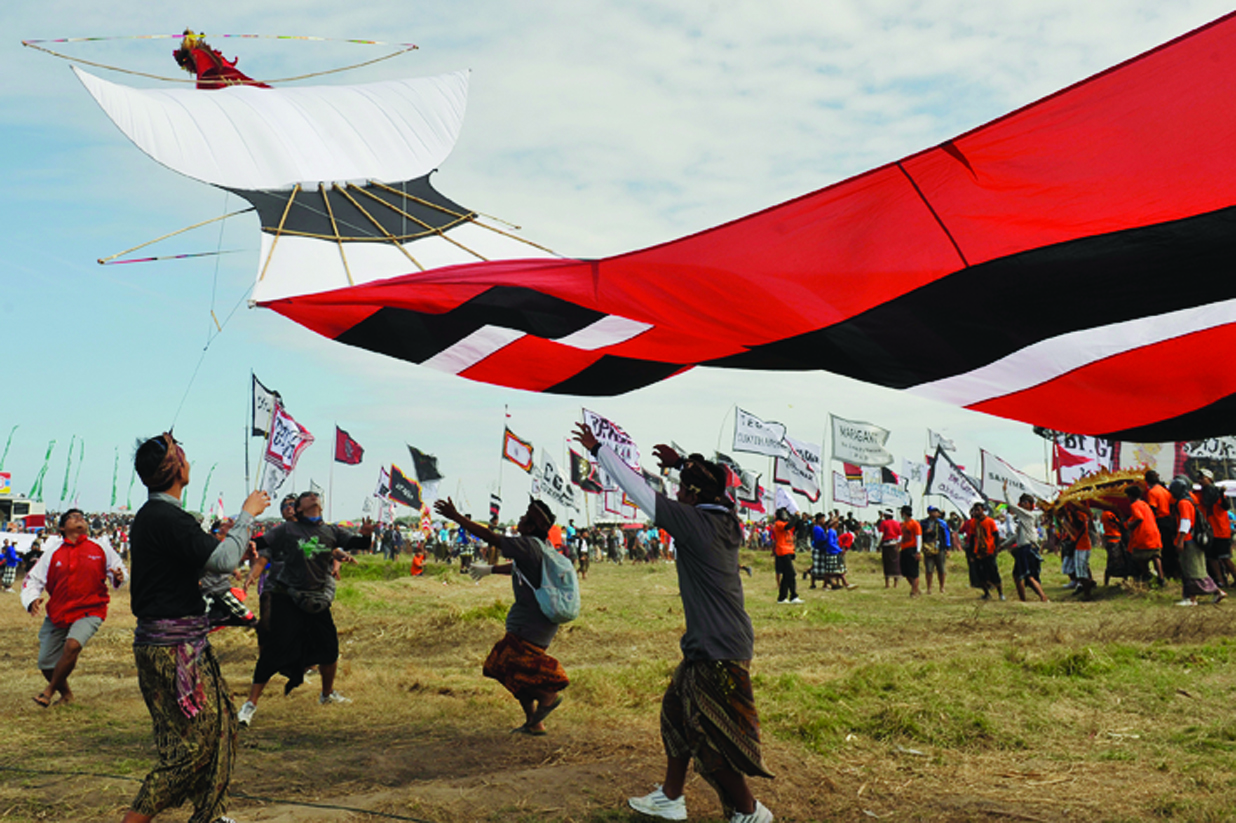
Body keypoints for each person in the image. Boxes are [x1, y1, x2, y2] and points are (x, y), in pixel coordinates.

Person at [574, 423, 774, 823]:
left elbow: (639, 492)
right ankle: (670, 796)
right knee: (675, 714)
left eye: (683, 490)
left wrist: (599, 452)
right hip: (713, 642)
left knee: (709, 736)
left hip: (717, 647)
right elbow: (721, 487)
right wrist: (681, 464)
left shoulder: (695, 523)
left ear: (694, 497)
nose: (677, 495)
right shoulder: (725, 517)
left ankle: (750, 812)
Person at [122, 432, 269, 823]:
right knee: (189, 752)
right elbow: (222, 560)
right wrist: (247, 514)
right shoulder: (167, 517)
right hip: (174, 649)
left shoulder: (157, 517)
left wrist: (232, 542)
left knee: (221, 728)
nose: (187, 461)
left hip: (178, 643)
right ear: (176, 468)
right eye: (182, 455)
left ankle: (210, 815)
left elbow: (209, 556)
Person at [435, 496, 570, 736]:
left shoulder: (528, 544)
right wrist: (490, 570)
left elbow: (492, 538)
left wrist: (457, 517)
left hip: (530, 624)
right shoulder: (540, 548)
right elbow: (518, 568)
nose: (519, 519)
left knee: (501, 664)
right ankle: (534, 723)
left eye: (525, 517)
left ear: (531, 526)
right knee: (512, 671)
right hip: (537, 622)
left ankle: (548, 695)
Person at [236, 491, 371, 728]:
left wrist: (367, 535)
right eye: (308, 497)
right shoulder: (287, 531)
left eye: (315, 495)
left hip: (317, 598)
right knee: (274, 650)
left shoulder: (331, 531)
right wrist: (249, 559)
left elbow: (359, 544)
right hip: (287, 596)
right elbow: (260, 545)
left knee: (329, 649)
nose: (314, 497)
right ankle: (250, 704)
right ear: (300, 508)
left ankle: (326, 695)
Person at [21, 509, 127, 707]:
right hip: (59, 612)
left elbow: (118, 569)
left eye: (81, 517)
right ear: (62, 527)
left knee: (72, 646)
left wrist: (119, 576)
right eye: (72, 517)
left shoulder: (100, 547)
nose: (79, 518)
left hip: (91, 609)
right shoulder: (53, 552)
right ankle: (66, 695)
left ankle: (49, 691)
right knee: (46, 663)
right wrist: (32, 598)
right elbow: (33, 580)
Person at [1169, 475, 1226, 606]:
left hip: (1188, 540)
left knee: (1192, 570)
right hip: (1191, 539)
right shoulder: (1189, 501)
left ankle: (1192, 598)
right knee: (1195, 569)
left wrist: (1180, 540)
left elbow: (1185, 522)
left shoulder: (1183, 503)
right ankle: (1212, 593)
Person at [1002, 484, 1047, 603]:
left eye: (1026, 502)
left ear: (1031, 505)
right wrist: (1004, 545)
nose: (1023, 503)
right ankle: (1024, 599)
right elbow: (1017, 536)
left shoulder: (1028, 515)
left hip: (1027, 549)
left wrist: (1006, 492)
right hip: (1025, 548)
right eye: (1022, 501)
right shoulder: (1023, 520)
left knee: (1027, 575)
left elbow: (1011, 505)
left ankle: (1043, 597)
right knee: (1018, 575)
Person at [1197, 469, 1235, 587]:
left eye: (1203, 478)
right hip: (1210, 530)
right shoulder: (1201, 493)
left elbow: (1224, 506)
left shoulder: (1217, 493)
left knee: (1224, 558)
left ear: (1209, 479)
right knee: (1212, 558)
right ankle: (1220, 581)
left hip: (1220, 530)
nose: (1200, 480)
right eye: (1199, 478)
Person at [1124, 485, 1165, 585]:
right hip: (1154, 533)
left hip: (1143, 534)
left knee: (1139, 556)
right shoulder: (1145, 504)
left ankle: (1147, 574)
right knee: (1155, 555)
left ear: (1131, 496)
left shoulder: (1134, 505)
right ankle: (1161, 578)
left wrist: (1131, 526)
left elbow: (1139, 518)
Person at [1146, 470, 1178, 579]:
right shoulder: (1165, 491)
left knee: (1162, 549)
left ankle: (1165, 573)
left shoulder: (1152, 492)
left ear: (1147, 481)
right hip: (1169, 520)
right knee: (1170, 548)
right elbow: (1172, 505)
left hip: (1159, 521)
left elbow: (1153, 509)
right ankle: (1173, 572)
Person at [971, 503, 1004, 600]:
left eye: (978, 509)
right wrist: (972, 553)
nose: (976, 512)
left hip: (989, 550)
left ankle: (1000, 593)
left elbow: (996, 535)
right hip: (978, 551)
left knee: (994, 572)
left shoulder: (990, 521)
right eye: (975, 510)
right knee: (980, 574)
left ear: (983, 510)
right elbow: (973, 537)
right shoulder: (973, 523)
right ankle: (986, 593)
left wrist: (996, 548)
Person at [771, 508, 802, 604]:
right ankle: (793, 595)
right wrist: (795, 517)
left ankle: (782, 597)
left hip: (788, 550)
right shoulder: (779, 523)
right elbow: (788, 526)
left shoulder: (786, 524)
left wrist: (798, 518)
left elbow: (794, 526)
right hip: (782, 551)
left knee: (786, 575)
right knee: (791, 574)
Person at [920, 507, 950, 594]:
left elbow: (946, 536)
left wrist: (947, 548)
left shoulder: (942, 523)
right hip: (928, 547)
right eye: (934, 511)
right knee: (929, 569)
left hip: (939, 547)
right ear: (929, 512)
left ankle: (942, 587)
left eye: (937, 512)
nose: (936, 513)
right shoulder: (923, 523)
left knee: (941, 569)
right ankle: (929, 588)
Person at [898, 506, 922, 597]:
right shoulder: (903, 524)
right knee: (905, 572)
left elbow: (918, 537)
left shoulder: (915, 524)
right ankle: (915, 587)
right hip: (904, 549)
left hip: (912, 548)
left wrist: (918, 551)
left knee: (914, 572)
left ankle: (914, 591)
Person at [876, 510, 901, 588]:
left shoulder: (884, 523)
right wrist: (898, 544)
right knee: (896, 564)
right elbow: (900, 535)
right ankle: (895, 584)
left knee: (887, 564)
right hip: (895, 544)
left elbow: (881, 535)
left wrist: (877, 545)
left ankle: (887, 584)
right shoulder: (897, 523)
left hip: (886, 545)